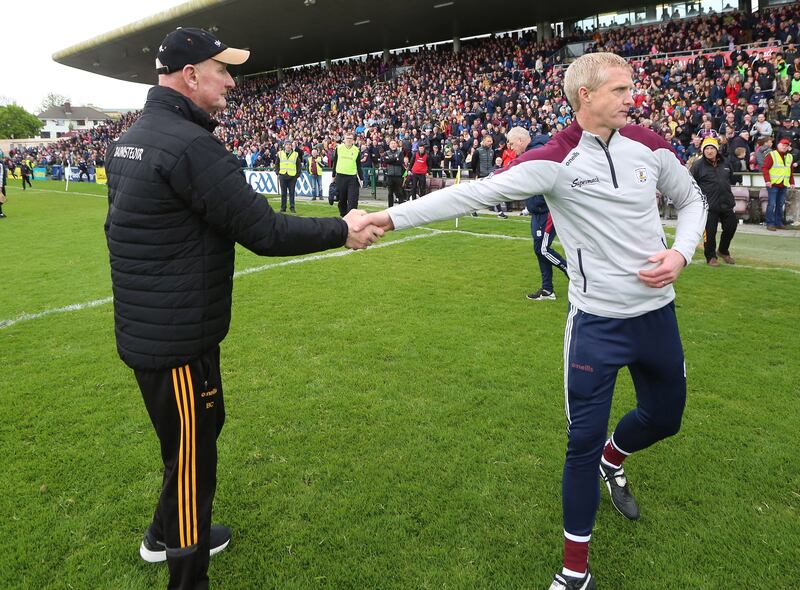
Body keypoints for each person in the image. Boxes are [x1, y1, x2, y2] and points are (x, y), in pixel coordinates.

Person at [355, 52, 707, 590]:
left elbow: (692, 200)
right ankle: (574, 574)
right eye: (619, 89)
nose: (631, 97)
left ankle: (615, 460)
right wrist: (388, 216)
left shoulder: (650, 145)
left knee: (666, 418)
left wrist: (681, 253)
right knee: (580, 443)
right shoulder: (553, 159)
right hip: (597, 325)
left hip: (657, 318)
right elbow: (473, 191)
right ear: (584, 96)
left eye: (630, 88)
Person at [103, 27, 382, 590]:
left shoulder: (138, 135)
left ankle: (162, 533)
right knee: (192, 458)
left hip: (161, 325)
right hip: (175, 335)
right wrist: (341, 229)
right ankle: (186, 574)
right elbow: (265, 230)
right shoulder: (189, 145)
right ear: (191, 76)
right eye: (222, 70)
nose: (232, 82)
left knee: (200, 432)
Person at [506, 126, 569, 300]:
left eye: (511, 143)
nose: (510, 148)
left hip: (547, 210)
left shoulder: (538, 152)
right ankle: (547, 290)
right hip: (536, 211)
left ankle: (573, 274)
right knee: (539, 249)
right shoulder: (531, 153)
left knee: (542, 249)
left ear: (520, 140)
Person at [690, 137, 737, 266]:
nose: (709, 151)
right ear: (703, 150)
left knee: (731, 227)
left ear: (717, 150)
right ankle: (710, 256)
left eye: (712, 148)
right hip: (709, 205)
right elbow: (691, 184)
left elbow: (731, 179)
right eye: (707, 149)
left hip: (727, 203)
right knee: (710, 233)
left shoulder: (726, 163)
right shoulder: (697, 165)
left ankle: (723, 250)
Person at [761, 137, 795, 230]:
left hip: (783, 184)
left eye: (786, 146)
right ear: (778, 145)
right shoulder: (772, 155)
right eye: (783, 145)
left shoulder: (790, 156)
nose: (784, 147)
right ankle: (770, 223)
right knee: (772, 204)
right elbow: (765, 168)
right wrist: (767, 181)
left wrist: (792, 182)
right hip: (773, 184)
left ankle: (778, 223)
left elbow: (790, 171)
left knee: (780, 204)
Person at [331, 131, 362, 216]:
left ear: (353, 140)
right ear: (344, 139)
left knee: (353, 200)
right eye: (347, 138)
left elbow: (359, 165)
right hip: (340, 177)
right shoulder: (339, 148)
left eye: (350, 139)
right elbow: (335, 163)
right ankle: (343, 216)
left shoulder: (356, 150)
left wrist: (361, 179)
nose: (349, 140)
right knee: (342, 200)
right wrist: (333, 176)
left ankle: (351, 217)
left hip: (352, 178)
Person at [277, 140, 298, 213]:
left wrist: (297, 175)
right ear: (284, 146)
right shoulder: (280, 154)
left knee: (292, 193)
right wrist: (278, 173)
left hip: (292, 176)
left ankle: (292, 207)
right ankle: (283, 207)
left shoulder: (295, 154)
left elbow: (298, 165)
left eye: (289, 145)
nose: (288, 146)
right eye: (287, 145)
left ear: (291, 146)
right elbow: (277, 164)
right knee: (283, 193)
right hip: (283, 175)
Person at [383, 139, 405, 207]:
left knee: (400, 192)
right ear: (389, 145)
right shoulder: (386, 153)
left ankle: (401, 207)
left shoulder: (400, 152)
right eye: (392, 143)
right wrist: (395, 159)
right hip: (390, 175)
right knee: (390, 193)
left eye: (394, 143)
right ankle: (390, 207)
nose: (393, 145)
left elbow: (400, 162)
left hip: (398, 176)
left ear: (396, 144)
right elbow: (386, 161)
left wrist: (391, 160)